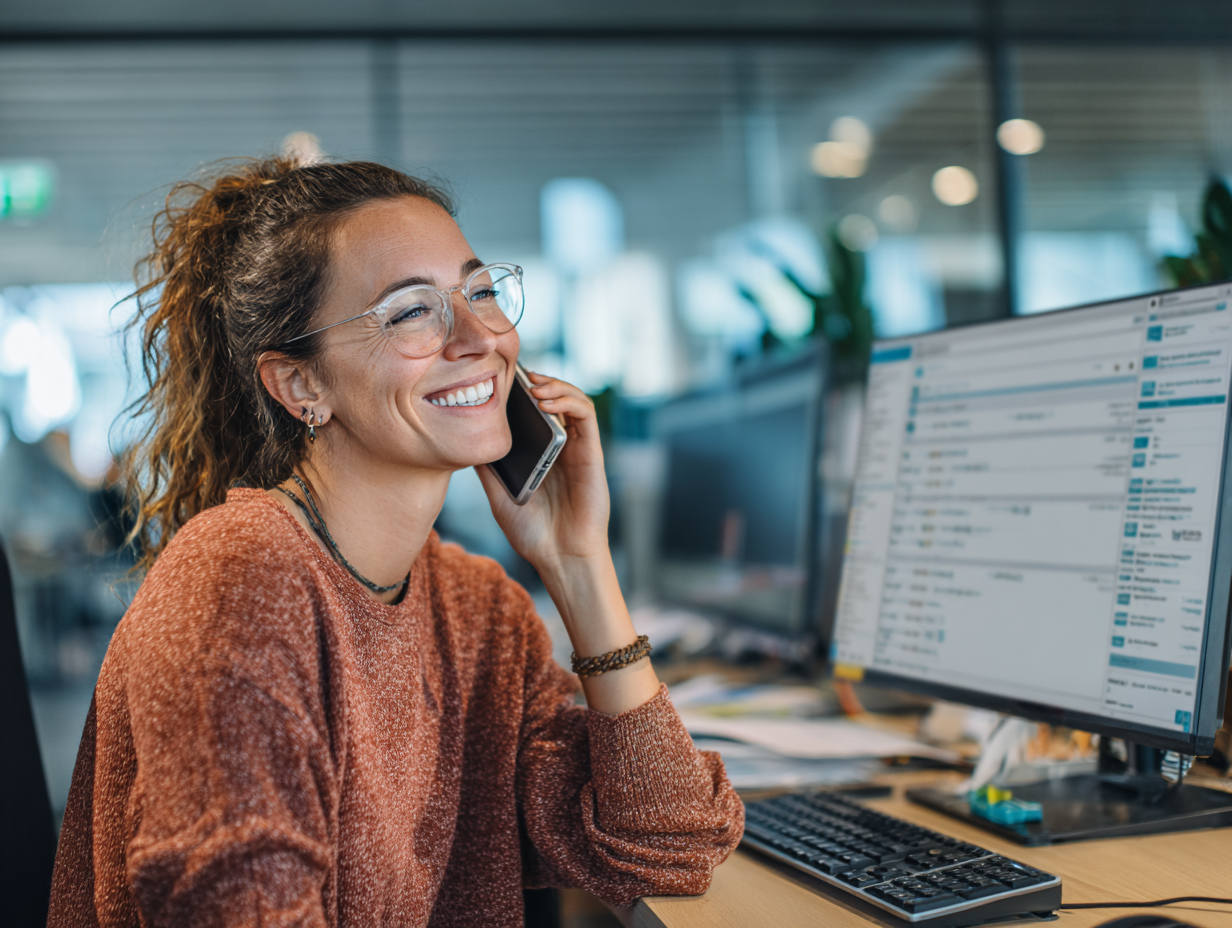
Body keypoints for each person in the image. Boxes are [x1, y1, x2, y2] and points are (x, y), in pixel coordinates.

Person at [47, 158, 743, 927]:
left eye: (479, 292)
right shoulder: (240, 579)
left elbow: (669, 845)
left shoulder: (478, 610)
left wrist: (580, 565)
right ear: (300, 386)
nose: (478, 336)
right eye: (412, 312)